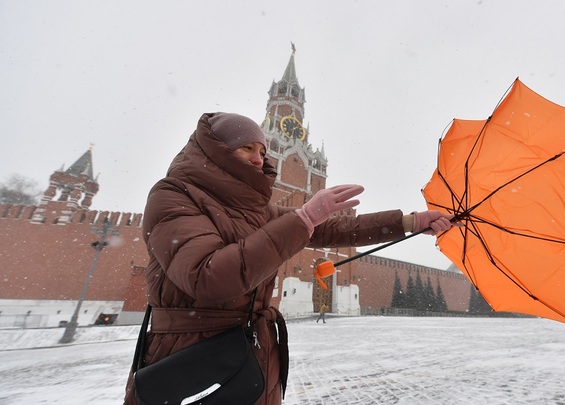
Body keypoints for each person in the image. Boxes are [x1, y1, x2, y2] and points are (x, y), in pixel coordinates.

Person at [122, 112, 455, 405]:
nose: (258, 158)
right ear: (216, 150)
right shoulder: (174, 194)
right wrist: (303, 219)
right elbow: (207, 278)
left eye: (263, 150)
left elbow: (333, 230)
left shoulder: (257, 208)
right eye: (246, 148)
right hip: (192, 353)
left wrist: (409, 222)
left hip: (253, 351)